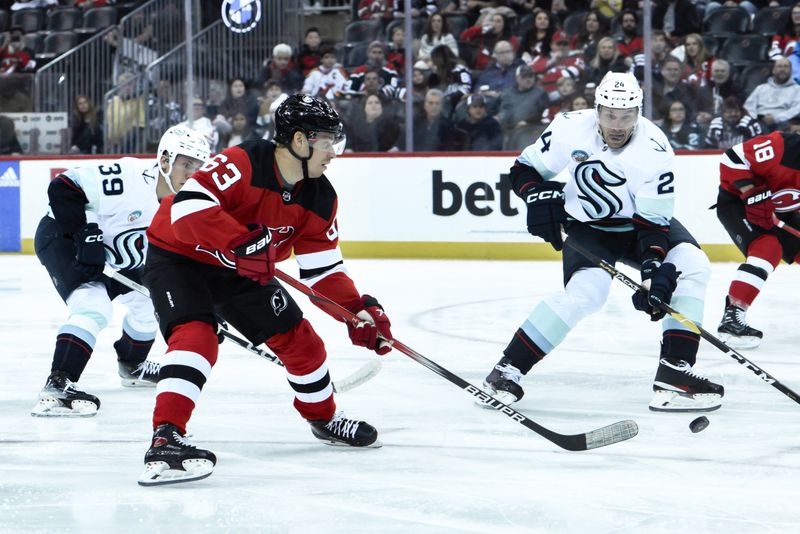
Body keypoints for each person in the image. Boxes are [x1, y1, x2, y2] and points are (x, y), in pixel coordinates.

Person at [138, 95, 394, 486]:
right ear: (298, 141)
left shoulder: (321, 197)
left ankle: (323, 418)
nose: (333, 153)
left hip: (242, 269)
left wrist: (356, 312)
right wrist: (240, 243)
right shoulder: (245, 161)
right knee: (197, 338)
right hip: (180, 258)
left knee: (303, 343)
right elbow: (186, 207)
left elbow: (322, 271)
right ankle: (166, 438)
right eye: (326, 141)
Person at [480, 72, 723, 413]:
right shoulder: (567, 128)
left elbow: (653, 223)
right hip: (588, 228)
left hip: (640, 226)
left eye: (626, 115)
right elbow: (523, 170)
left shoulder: (655, 148)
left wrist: (653, 270)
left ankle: (675, 371)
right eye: (609, 114)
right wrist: (534, 195)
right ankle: (506, 371)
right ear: (597, 110)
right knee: (586, 295)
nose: (618, 124)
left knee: (692, 266)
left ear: (639, 111)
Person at [30, 126, 210, 417]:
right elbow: (63, 186)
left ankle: (132, 365)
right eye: (186, 164)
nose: (193, 173)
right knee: (94, 306)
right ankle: (58, 384)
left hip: (115, 252)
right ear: (165, 160)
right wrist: (83, 234)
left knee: (151, 301)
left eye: (198, 166)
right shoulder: (129, 177)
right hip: (64, 239)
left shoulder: (186, 203)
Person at [714, 131, 800, 349]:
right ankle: (733, 315)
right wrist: (751, 193)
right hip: (740, 204)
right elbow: (733, 157)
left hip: (783, 210)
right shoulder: (784, 147)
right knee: (768, 248)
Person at [744, 57, 800, 133]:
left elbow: (796, 109)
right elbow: (748, 106)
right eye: (779, 66)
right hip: (759, 122)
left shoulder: (797, 89)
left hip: (783, 124)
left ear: (790, 71)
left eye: (786, 66)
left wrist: (776, 118)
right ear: (773, 70)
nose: (783, 69)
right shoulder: (761, 88)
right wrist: (755, 118)